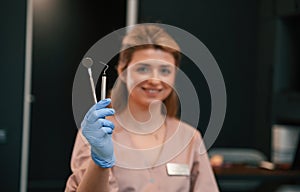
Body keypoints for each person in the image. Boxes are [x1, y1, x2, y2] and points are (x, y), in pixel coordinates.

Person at [65, 23, 219, 192]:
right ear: (122, 71)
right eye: (143, 68)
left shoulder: (190, 138)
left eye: (165, 71)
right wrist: (99, 164)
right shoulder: (100, 133)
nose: (155, 79)